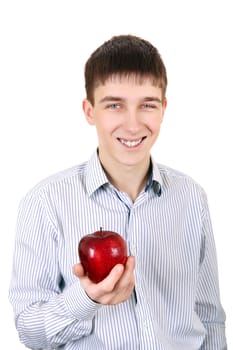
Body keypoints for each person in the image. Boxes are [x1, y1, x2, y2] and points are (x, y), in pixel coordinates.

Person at [9, 34, 227, 349]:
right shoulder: (45, 203)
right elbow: (30, 331)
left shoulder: (191, 197)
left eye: (147, 105)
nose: (133, 124)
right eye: (115, 105)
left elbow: (208, 318)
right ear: (89, 111)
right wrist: (86, 298)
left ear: (163, 109)